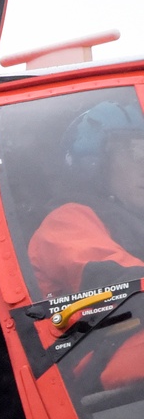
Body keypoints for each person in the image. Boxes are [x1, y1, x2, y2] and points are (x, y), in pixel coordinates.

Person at [29, 98, 144, 390]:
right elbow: (115, 279)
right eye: (135, 151)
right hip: (120, 396)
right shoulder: (66, 221)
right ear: (96, 165)